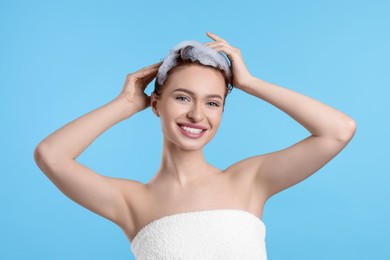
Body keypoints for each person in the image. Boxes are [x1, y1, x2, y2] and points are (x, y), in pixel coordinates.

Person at [33, 32, 356, 259]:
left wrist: (250, 83)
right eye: (183, 97)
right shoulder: (130, 201)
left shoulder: (249, 181)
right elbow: (51, 155)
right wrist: (127, 103)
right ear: (157, 104)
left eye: (213, 103)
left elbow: (338, 130)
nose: (197, 114)